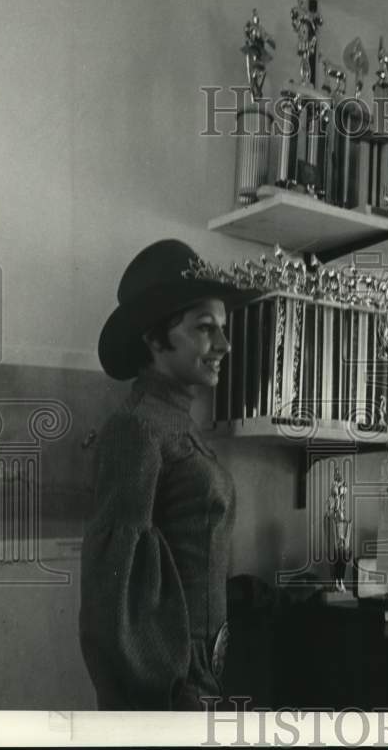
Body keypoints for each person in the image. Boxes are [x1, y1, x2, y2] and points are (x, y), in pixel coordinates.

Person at [79, 239, 257, 710]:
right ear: (156, 339)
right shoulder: (135, 429)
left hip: (201, 680)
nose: (224, 344)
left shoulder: (175, 420)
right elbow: (113, 598)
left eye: (223, 327)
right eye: (204, 328)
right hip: (169, 697)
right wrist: (173, 692)